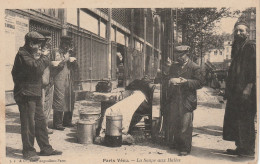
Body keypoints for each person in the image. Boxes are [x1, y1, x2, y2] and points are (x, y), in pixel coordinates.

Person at [11, 31, 62, 161]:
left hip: (34, 92)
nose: (40, 47)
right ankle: (28, 151)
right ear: (30, 43)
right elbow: (36, 69)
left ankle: (46, 148)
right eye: (38, 44)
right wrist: (45, 57)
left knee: (40, 121)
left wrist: (42, 56)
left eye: (41, 44)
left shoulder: (31, 53)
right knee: (28, 124)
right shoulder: (23, 55)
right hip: (25, 94)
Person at [223, 21, 256, 157]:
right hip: (236, 91)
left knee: (245, 120)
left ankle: (248, 152)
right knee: (236, 119)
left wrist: (248, 87)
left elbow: (254, 70)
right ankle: (240, 147)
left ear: (247, 32)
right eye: (236, 31)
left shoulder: (251, 46)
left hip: (246, 91)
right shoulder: (237, 46)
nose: (238, 33)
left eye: (241, 31)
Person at [165, 45, 204, 156]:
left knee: (185, 125)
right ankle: (177, 143)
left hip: (187, 100)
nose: (178, 57)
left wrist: (186, 81)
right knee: (175, 121)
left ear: (187, 54)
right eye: (176, 54)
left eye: (180, 55)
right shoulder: (174, 66)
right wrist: (169, 78)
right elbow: (169, 77)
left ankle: (185, 147)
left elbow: (200, 83)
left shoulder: (195, 67)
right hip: (175, 98)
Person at [96, 77, 154, 143]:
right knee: (117, 110)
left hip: (138, 98)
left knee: (112, 110)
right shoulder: (138, 90)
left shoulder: (138, 92)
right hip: (139, 99)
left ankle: (107, 134)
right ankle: (112, 133)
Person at [51, 35, 78, 130]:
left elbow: (75, 67)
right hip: (59, 78)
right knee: (59, 98)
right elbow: (52, 65)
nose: (66, 46)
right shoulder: (56, 51)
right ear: (61, 43)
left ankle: (67, 121)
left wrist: (73, 61)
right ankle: (57, 123)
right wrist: (63, 61)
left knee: (70, 99)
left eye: (68, 44)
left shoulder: (70, 52)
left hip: (69, 78)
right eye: (65, 44)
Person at [38, 30, 54, 134]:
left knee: (48, 105)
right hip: (40, 83)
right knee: (40, 106)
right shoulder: (36, 51)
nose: (49, 42)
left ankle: (45, 126)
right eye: (47, 40)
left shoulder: (49, 51)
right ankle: (40, 128)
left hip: (49, 80)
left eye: (50, 40)